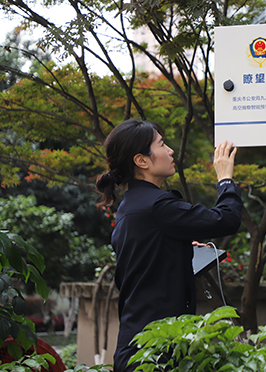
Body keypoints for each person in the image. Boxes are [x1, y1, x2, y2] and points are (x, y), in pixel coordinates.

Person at [95, 119, 242, 372]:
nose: (170, 150)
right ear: (141, 160)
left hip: (138, 345)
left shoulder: (130, 207)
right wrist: (225, 178)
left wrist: (179, 247)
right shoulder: (158, 206)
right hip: (157, 352)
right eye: (162, 144)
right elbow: (227, 219)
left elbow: (148, 268)